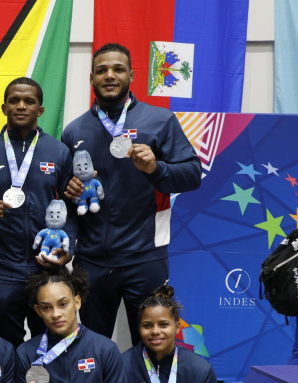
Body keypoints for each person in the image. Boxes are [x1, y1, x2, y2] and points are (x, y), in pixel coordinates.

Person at [61, 42, 201, 345]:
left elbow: (192, 176)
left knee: (152, 345)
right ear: (91, 78)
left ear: (131, 75)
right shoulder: (74, 131)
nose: (109, 75)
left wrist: (156, 169)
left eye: (118, 69)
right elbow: (68, 202)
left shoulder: (160, 120)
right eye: (101, 70)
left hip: (144, 257)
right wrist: (70, 195)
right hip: (92, 262)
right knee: (92, 349)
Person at [0, 77, 75, 347]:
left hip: (47, 268)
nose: (21, 106)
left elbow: (72, 207)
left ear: (41, 110)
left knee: (50, 344)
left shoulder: (59, 152)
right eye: (14, 101)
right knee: (3, 346)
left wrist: (68, 249)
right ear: (4, 108)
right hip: (3, 270)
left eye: (29, 101)